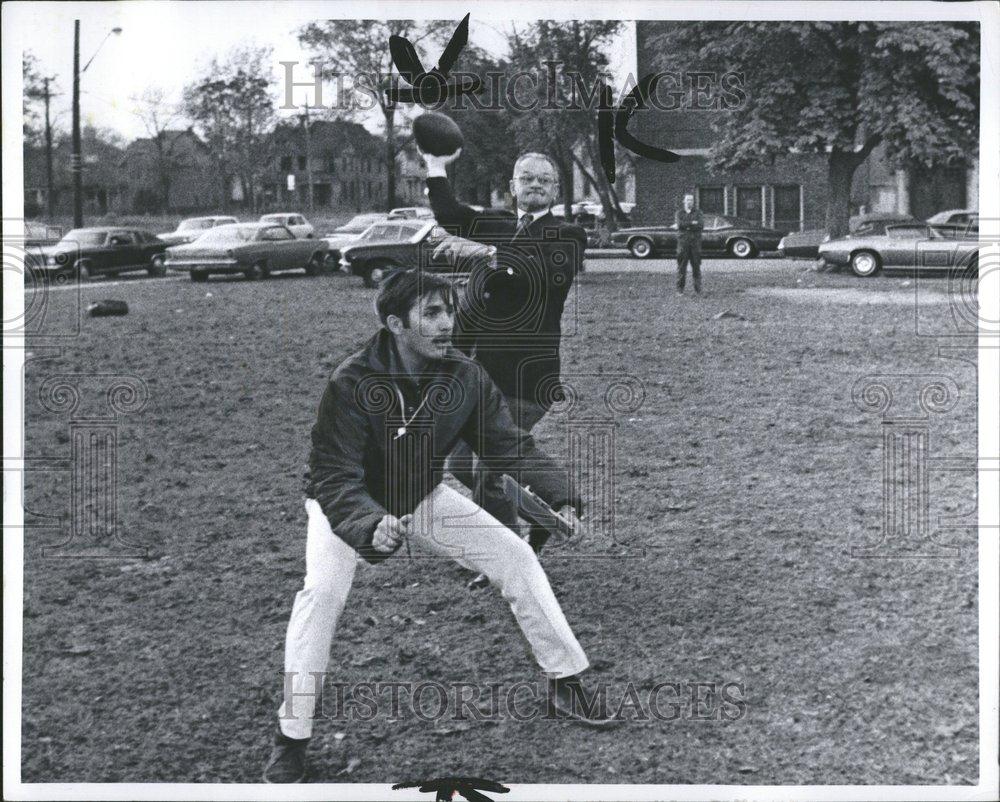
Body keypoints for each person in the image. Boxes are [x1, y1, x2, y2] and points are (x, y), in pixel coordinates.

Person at [263, 270, 615, 783]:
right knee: (322, 595)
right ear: (394, 324)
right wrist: (368, 525)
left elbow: (507, 445)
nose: (447, 323)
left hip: (422, 494)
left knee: (517, 557)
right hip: (345, 503)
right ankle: (291, 737)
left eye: (449, 310)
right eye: (431, 313)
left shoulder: (465, 376)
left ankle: (566, 681)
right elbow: (334, 474)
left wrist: (562, 495)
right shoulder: (352, 381)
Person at [422, 148, 587, 589]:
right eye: (525, 178)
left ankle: (510, 561)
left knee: (488, 472)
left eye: (544, 181)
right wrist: (434, 162)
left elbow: (538, 275)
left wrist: (487, 252)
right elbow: (450, 213)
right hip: (479, 375)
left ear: (555, 190)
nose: (534, 186)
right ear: (512, 186)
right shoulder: (496, 223)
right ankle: (542, 516)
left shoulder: (567, 234)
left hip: (526, 379)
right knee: (459, 461)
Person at [674, 192, 704, 295]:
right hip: (683, 245)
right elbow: (679, 224)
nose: (689, 202)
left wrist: (686, 225)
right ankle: (680, 290)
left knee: (696, 267)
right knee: (681, 267)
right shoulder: (679, 213)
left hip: (695, 245)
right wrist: (691, 223)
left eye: (691, 200)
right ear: (684, 201)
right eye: (688, 200)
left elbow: (700, 225)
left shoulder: (698, 213)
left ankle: (698, 290)